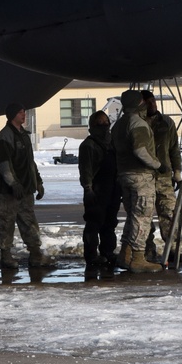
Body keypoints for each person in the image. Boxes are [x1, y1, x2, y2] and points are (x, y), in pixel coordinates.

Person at [0, 105, 53, 270]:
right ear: (13, 115)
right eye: (20, 112)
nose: (24, 115)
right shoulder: (5, 136)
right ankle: (6, 256)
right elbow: (4, 164)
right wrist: (13, 183)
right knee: (7, 223)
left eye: (24, 112)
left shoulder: (24, 136)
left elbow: (30, 162)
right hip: (8, 192)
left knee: (29, 223)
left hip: (26, 189)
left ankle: (36, 255)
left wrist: (38, 182)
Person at [110, 90, 161, 272]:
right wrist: (156, 164)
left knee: (132, 217)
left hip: (124, 174)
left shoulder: (118, 124)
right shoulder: (137, 123)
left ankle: (125, 254)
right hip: (140, 176)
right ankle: (138, 258)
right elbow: (140, 150)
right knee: (142, 217)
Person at [140, 91, 182, 261]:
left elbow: (174, 148)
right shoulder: (137, 123)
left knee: (169, 213)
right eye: (147, 102)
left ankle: (173, 250)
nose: (152, 105)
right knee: (144, 214)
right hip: (144, 177)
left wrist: (177, 170)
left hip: (164, 176)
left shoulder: (167, 123)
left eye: (153, 101)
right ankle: (147, 250)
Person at [78, 110, 119, 277]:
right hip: (96, 190)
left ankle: (107, 252)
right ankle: (91, 256)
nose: (105, 127)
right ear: (92, 126)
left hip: (113, 189)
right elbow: (85, 169)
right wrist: (88, 188)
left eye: (106, 123)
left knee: (109, 224)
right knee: (94, 224)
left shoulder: (112, 143)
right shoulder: (88, 145)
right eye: (100, 124)